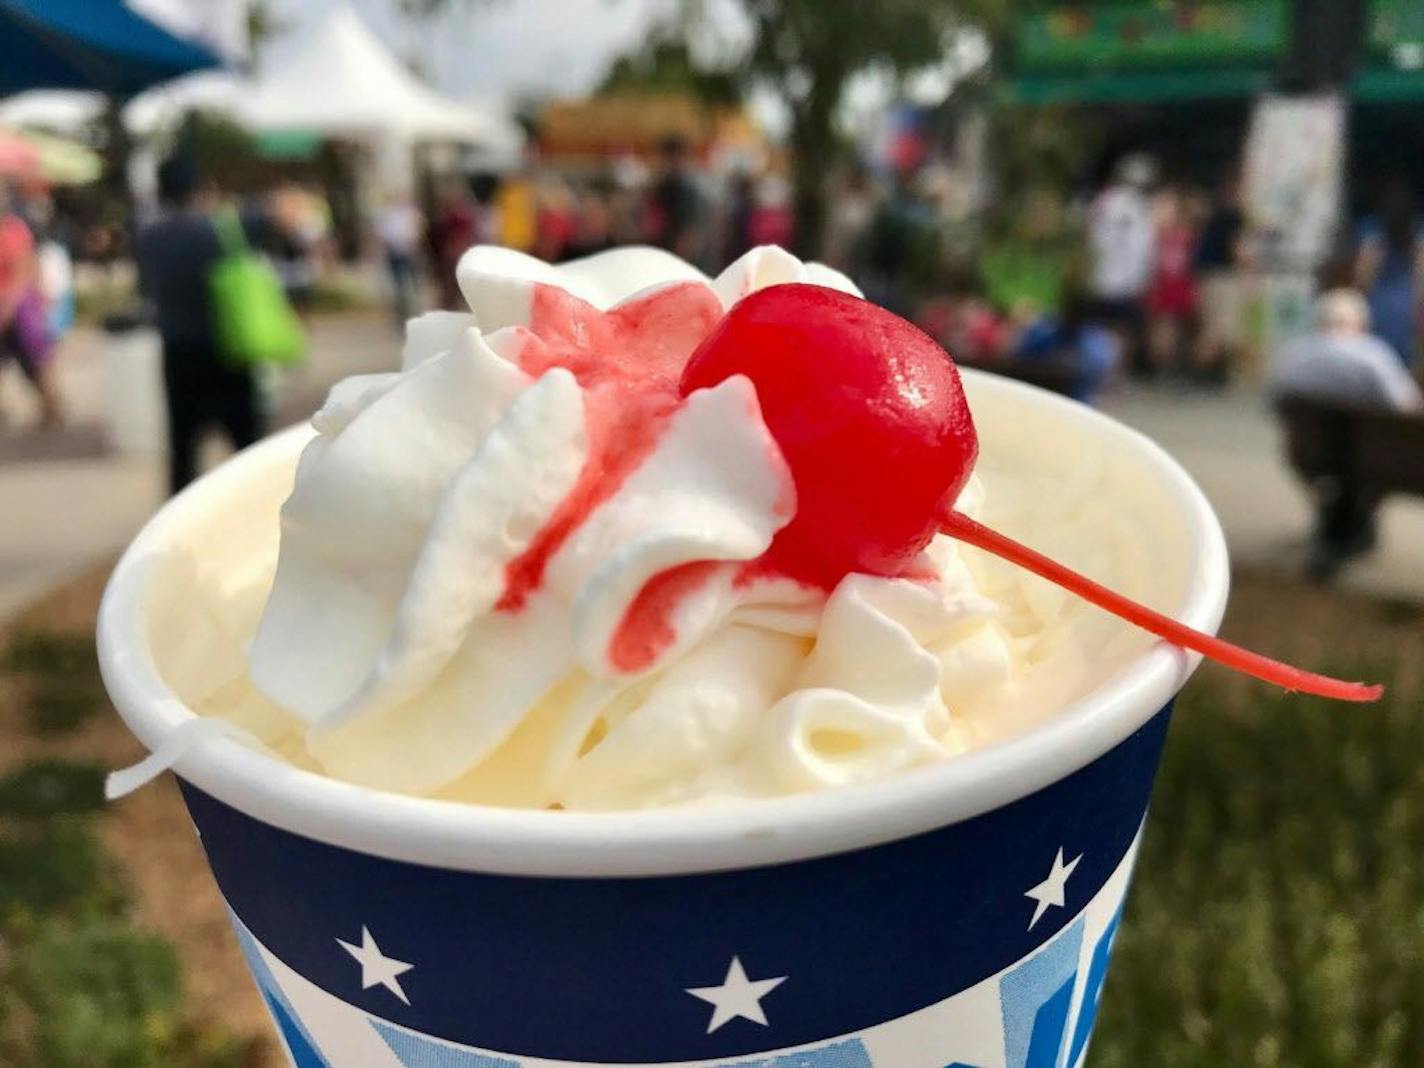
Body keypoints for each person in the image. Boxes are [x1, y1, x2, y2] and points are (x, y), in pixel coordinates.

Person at [1269, 288, 1422, 577]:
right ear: (1360, 323)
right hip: (1378, 463)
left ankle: (1339, 529)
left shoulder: (1293, 355)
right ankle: (1351, 530)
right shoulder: (1372, 356)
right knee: (1371, 454)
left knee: (1351, 456)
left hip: (1310, 453)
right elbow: (1407, 405)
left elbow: (1273, 401)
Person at [136, 157, 264, 495]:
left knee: (183, 448)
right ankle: (262, 511)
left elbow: (146, 289)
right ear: (200, 188)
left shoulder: (150, 236)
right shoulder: (221, 229)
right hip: (229, 345)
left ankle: (177, 524)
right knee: (248, 443)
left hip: (177, 348)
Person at [0, 186, 62, 428]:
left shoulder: (13, 231)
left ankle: (51, 408)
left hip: (18, 309)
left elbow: (23, 271)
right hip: (9, 306)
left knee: (33, 363)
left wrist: (7, 306)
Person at [1087, 155, 1156, 368]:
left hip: (1103, 275)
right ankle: (1111, 372)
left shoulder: (1104, 201)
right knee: (1119, 329)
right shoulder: (1137, 207)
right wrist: (1142, 276)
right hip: (1121, 278)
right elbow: (1142, 245)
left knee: (1105, 328)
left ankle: (1106, 370)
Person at [1354, 180, 1422, 368]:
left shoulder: (1373, 228)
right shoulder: (1416, 231)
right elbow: (1419, 274)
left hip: (1378, 298)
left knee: (1373, 351)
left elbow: (1365, 271)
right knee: (1401, 356)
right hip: (1404, 300)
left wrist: (1359, 294)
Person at [1193, 173, 1248, 382]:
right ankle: (1203, 372)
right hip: (1222, 274)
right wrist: (1246, 271)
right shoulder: (1233, 215)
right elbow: (1236, 247)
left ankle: (1210, 370)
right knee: (1218, 327)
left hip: (1206, 273)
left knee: (1210, 324)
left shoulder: (1213, 213)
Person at [1144, 188, 1198, 375]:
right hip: (1168, 282)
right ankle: (1164, 364)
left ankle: (1165, 363)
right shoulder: (1169, 235)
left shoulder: (1180, 235)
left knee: (1170, 326)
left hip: (1174, 283)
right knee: (1167, 327)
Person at [643, 135, 704, 262]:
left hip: (675, 255)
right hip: (659, 250)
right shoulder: (659, 186)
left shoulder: (686, 189)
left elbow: (690, 232)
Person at [375, 189, 423, 331]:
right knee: (398, 289)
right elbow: (382, 236)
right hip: (394, 253)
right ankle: (401, 318)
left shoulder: (411, 214)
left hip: (409, 253)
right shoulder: (387, 215)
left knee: (412, 287)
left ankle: (414, 316)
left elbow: (418, 233)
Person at [429, 178, 480, 310]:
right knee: (451, 285)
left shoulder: (463, 213)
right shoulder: (447, 214)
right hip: (452, 252)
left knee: (460, 284)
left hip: (461, 250)